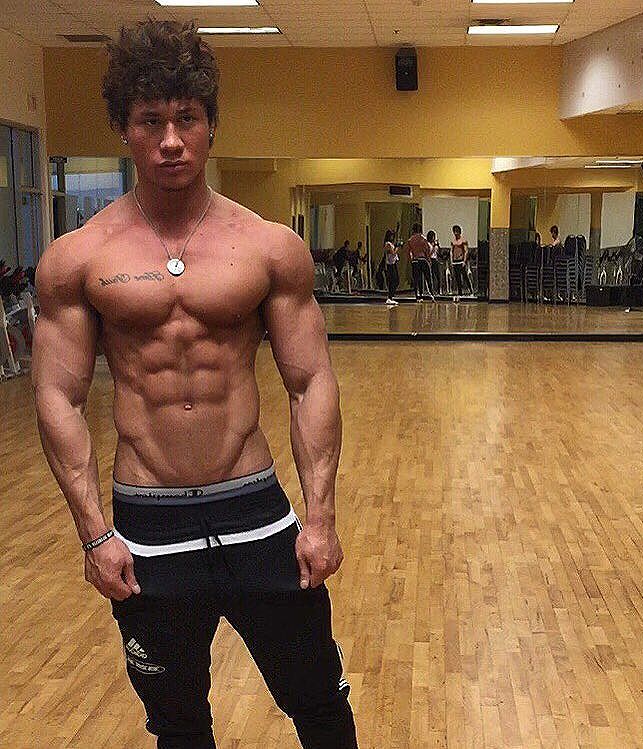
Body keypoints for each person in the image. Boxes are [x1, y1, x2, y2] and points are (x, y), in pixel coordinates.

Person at [31, 19, 357, 749]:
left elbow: (310, 381)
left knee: (321, 705)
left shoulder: (268, 247)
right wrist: (94, 533)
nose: (171, 140)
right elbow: (58, 395)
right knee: (178, 726)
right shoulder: (79, 258)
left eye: (187, 118)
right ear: (125, 130)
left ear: (211, 126)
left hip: (257, 514)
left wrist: (321, 517)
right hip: (146, 527)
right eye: (151, 121)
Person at [403, 223, 434, 302]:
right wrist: (429, 259)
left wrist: (411, 260)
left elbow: (408, 252)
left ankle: (418, 296)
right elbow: (427, 250)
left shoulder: (410, 240)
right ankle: (432, 294)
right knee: (428, 278)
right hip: (422, 259)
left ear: (413, 230)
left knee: (417, 279)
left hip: (415, 260)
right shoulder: (423, 238)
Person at [450, 224, 471, 301]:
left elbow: (466, 251)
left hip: (461, 260)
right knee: (457, 277)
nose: (455, 233)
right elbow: (451, 251)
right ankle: (460, 292)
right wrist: (451, 260)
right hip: (455, 261)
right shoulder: (453, 241)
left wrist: (464, 261)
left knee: (465, 276)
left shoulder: (463, 240)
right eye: (454, 231)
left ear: (459, 232)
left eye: (457, 231)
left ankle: (470, 290)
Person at [383, 229, 399, 305]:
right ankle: (390, 297)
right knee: (393, 281)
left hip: (393, 263)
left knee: (396, 280)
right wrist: (397, 247)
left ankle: (391, 296)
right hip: (390, 264)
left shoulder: (391, 244)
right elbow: (393, 252)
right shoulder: (388, 244)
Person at [426, 230, 441, 296]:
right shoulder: (428, 244)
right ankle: (432, 291)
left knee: (438, 275)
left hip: (436, 259)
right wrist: (433, 246)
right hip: (430, 259)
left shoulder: (435, 244)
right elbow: (429, 253)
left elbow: (438, 252)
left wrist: (437, 245)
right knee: (431, 276)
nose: (434, 238)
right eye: (433, 236)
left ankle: (438, 290)